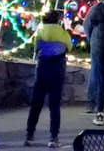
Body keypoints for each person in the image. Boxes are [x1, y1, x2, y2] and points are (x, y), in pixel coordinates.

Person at [25, 8, 71, 148]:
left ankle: (29, 135)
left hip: (42, 71)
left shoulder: (40, 31)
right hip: (57, 72)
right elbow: (68, 46)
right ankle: (53, 137)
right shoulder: (62, 33)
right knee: (54, 106)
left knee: (36, 104)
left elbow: (36, 48)